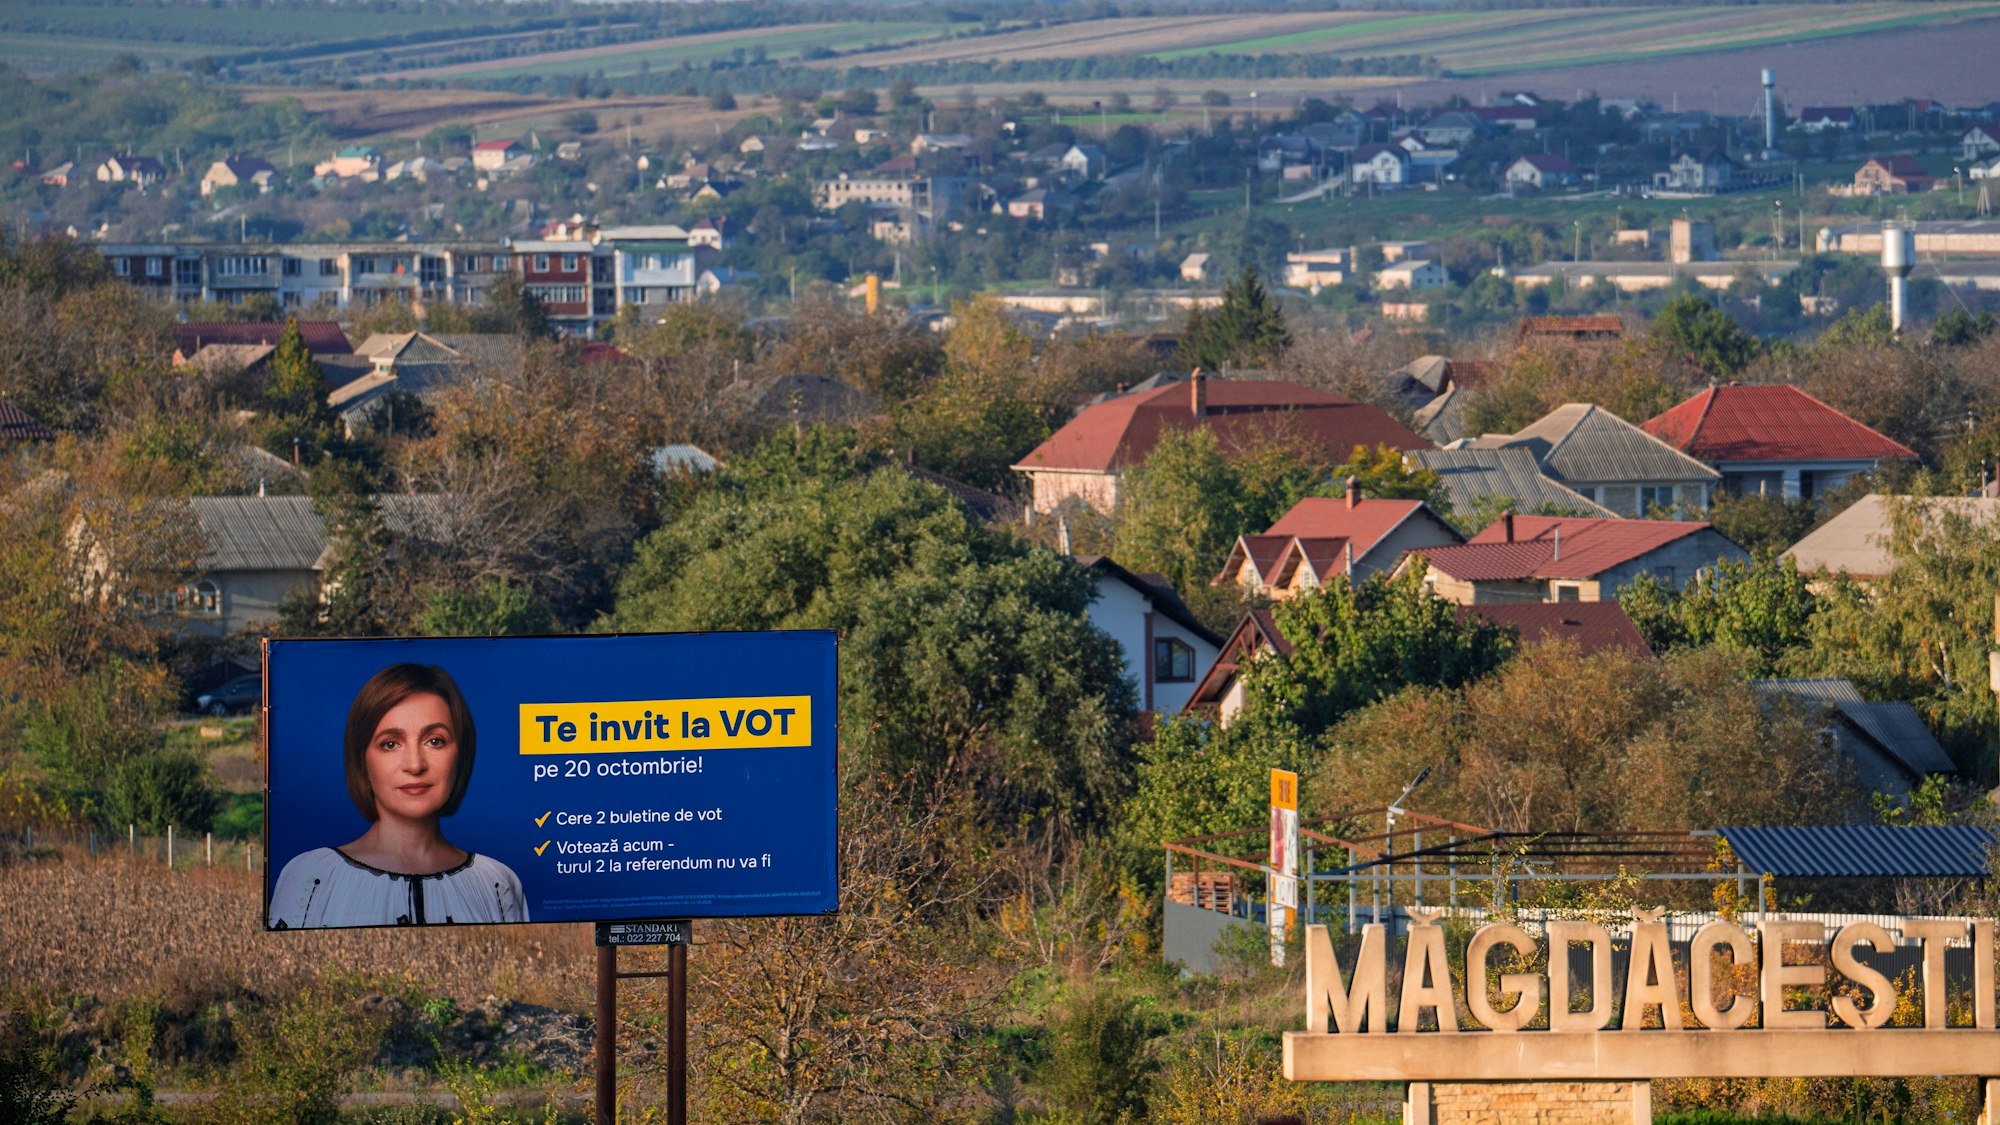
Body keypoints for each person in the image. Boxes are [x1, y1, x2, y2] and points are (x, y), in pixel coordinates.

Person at [269, 663, 527, 928]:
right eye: (390, 744)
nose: (415, 765)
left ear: (461, 754)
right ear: (362, 761)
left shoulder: (497, 883)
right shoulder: (311, 877)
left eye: (435, 741)